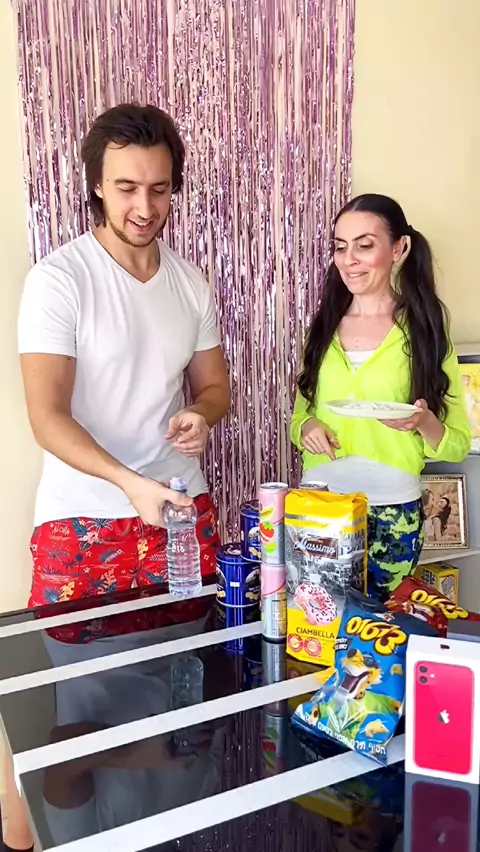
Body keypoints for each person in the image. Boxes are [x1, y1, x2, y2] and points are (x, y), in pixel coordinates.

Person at [9, 103, 230, 852]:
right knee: (76, 693)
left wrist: (201, 413)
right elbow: (47, 418)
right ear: (97, 186)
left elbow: (215, 387)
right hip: (84, 530)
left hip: (180, 519)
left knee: (191, 683)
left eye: (160, 189)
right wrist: (128, 481)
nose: (144, 206)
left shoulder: (191, 283)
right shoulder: (59, 280)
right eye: (127, 187)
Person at [291, 193, 470, 600]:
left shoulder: (425, 330)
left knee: (384, 626)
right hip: (322, 505)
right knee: (317, 622)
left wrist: (423, 421)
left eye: (365, 245)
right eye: (340, 247)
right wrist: (308, 426)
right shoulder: (323, 327)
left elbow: (457, 443)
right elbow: (299, 418)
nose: (349, 259)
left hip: (394, 511)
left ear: (399, 248)